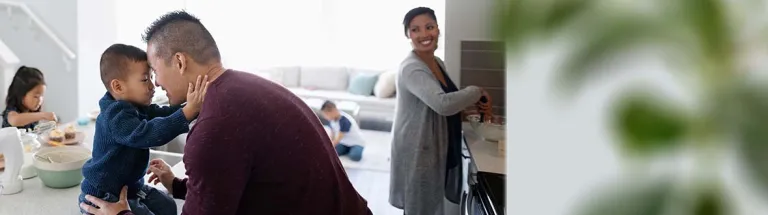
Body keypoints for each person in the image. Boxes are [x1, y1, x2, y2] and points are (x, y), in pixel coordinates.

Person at [79, 11, 372, 215]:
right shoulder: (248, 86)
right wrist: (177, 185)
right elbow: (234, 185)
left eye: (155, 71)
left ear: (179, 62)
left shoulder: (215, 128)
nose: (156, 83)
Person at [78, 43, 208, 215]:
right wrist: (187, 113)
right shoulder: (115, 116)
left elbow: (164, 114)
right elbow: (147, 134)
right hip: (104, 195)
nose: (153, 86)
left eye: (152, 77)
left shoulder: (137, 107)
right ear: (118, 87)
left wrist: (192, 107)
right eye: (145, 79)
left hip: (131, 187)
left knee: (168, 207)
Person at [389, 7, 492, 215]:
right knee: (420, 208)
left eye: (429, 27)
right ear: (408, 35)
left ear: (437, 29)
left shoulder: (437, 63)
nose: (424, 34)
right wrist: (477, 91)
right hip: (418, 148)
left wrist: (470, 110)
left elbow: (438, 105)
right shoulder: (412, 68)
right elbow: (442, 104)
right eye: (415, 30)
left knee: (430, 205)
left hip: (431, 144)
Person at [2, 66, 57, 130]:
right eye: (36, 96)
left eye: (42, 96)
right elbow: (15, 120)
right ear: (21, 94)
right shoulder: (11, 110)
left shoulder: (32, 110)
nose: (40, 100)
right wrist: (43, 115)